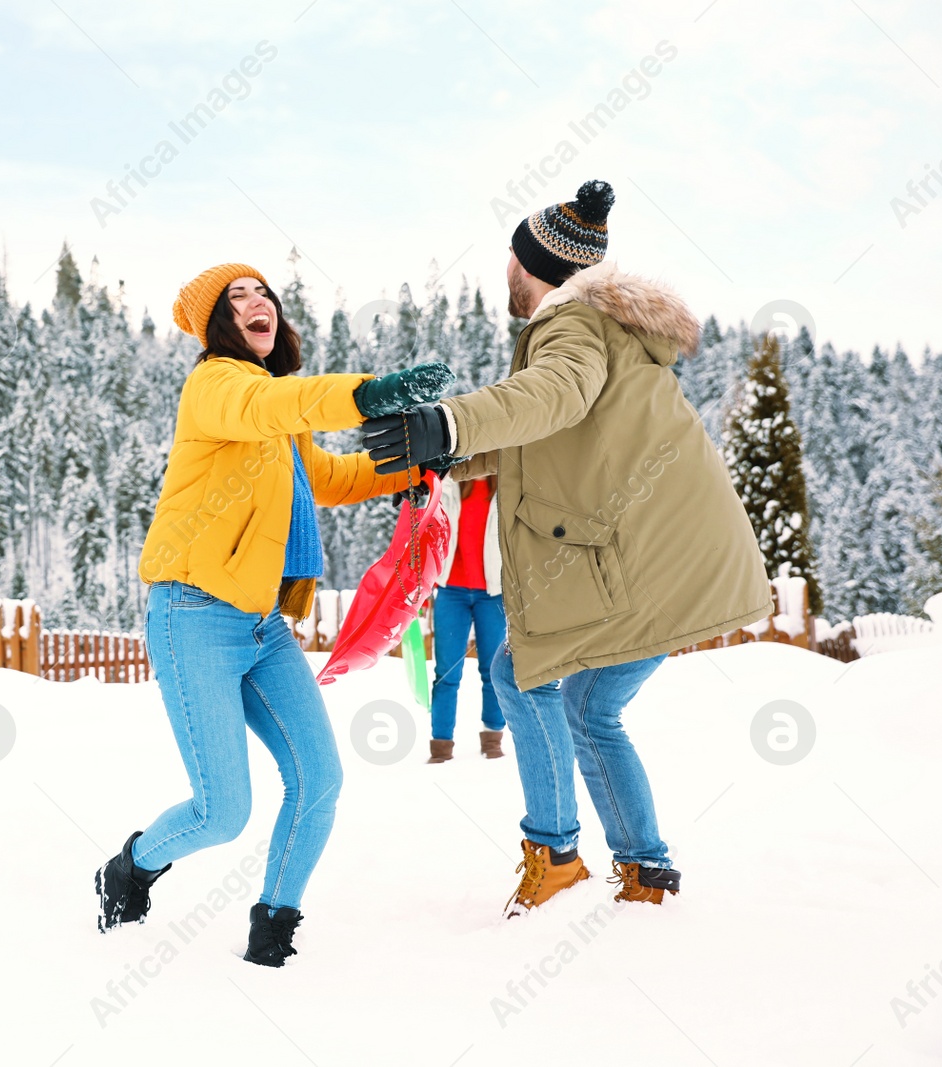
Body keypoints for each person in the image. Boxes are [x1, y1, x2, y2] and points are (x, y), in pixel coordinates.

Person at [363, 181, 770, 913]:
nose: (506, 276)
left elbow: (552, 397)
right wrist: (447, 461)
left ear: (533, 266)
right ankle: (646, 869)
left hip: (649, 561)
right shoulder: (607, 330)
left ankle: (553, 856)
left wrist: (444, 426)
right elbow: (543, 431)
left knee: (519, 674)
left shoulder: (571, 326)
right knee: (586, 706)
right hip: (684, 559)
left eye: (510, 260)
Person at [95, 262, 453, 966]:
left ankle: (273, 925)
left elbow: (327, 478)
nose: (257, 302)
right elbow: (276, 406)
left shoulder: (276, 411)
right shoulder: (217, 387)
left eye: (265, 293)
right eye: (239, 296)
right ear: (218, 325)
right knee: (222, 812)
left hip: (261, 626)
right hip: (192, 615)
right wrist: (368, 394)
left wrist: (413, 462)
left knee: (319, 779)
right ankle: (131, 867)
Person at [426, 475, 506, 763]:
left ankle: (493, 739)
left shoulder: (507, 482)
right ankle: (441, 745)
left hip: (493, 592)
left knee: (493, 672)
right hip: (451, 591)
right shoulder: (450, 482)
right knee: (446, 673)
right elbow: (428, 526)